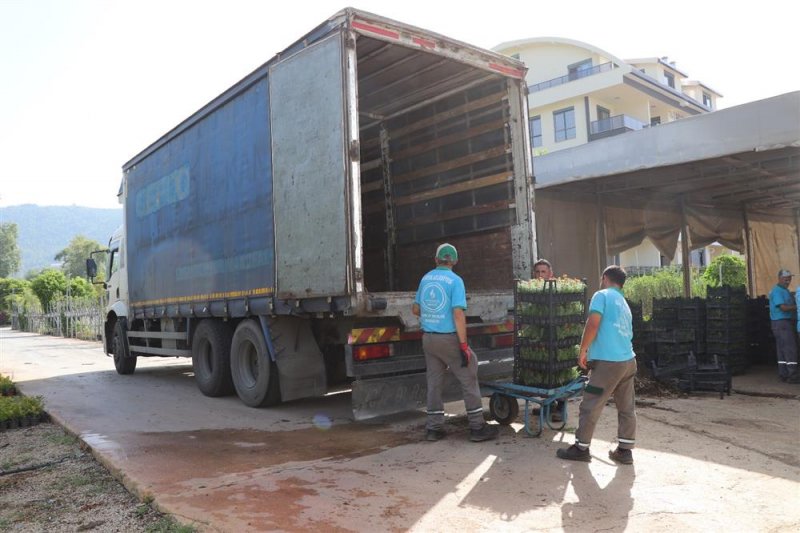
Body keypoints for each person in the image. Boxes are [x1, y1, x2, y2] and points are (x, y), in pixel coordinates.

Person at [413, 243, 499, 443]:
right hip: (448, 338)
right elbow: (458, 313)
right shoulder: (455, 281)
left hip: (429, 338)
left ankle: (433, 428)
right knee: (469, 375)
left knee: (434, 382)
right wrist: (463, 346)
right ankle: (477, 427)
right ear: (455, 261)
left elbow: (416, 309)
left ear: (436, 260)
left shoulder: (426, 279)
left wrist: (433, 313)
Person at [557, 265, 637, 465]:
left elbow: (593, 323)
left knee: (591, 404)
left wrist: (583, 349)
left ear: (604, 278)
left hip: (608, 363)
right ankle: (625, 451)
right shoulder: (624, 303)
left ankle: (581, 448)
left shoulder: (601, 295)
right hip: (628, 361)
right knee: (626, 407)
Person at [532, 258, 565, 423]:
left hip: (558, 335)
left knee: (559, 371)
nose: (540, 275)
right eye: (537, 272)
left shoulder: (557, 288)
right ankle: (548, 404)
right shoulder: (534, 290)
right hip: (542, 334)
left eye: (543, 272)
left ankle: (560, 407)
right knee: (544, 372)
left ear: (550, 273)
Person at [768, 269, 798, 383]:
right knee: (790, 349)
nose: (788, 281)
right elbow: (783, 308)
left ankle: (784, 374)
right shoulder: (777, 291)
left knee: (782, 349)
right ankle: (792, 375)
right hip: (782, 323)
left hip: (782, 323)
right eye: (786, 278)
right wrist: (797, 307)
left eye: (790, 278)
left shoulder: (784, 291)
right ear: (779, 278)